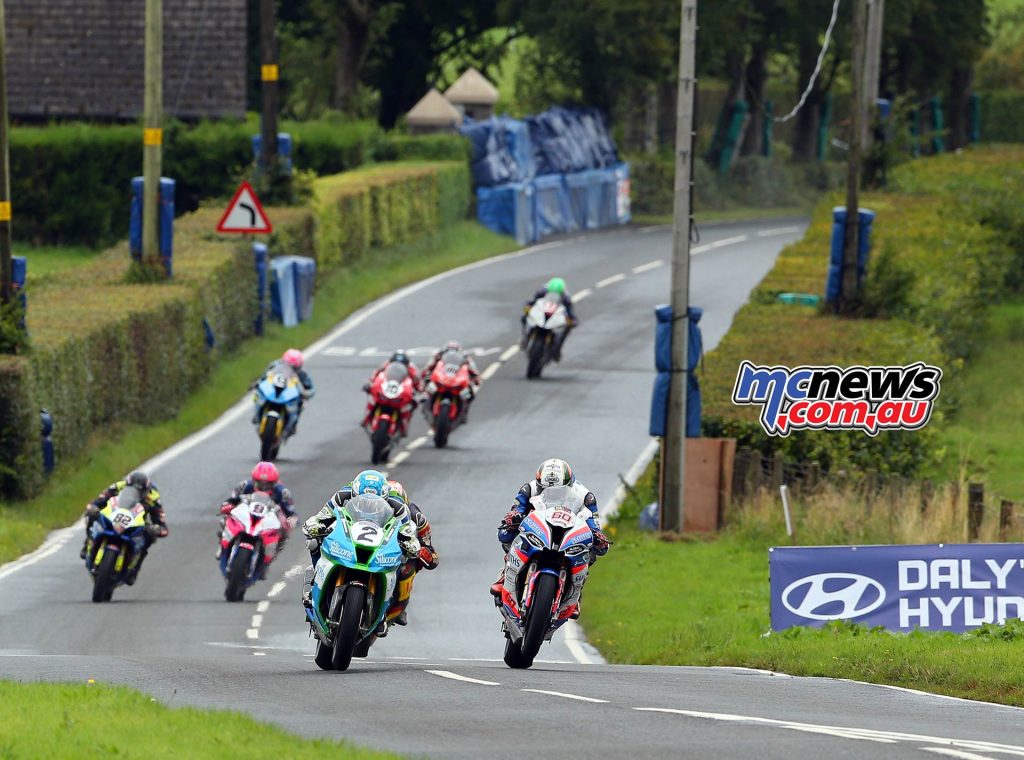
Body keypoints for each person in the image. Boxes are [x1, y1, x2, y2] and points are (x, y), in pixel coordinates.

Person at [301, 470, 421, 635]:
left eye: (376, 502)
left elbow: (408, 531)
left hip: (378, 544)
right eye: (364, 499)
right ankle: (315, 578)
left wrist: (411, 543)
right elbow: (323, 514)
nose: (370, 505)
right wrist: (316, 525)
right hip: (347, 536)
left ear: (385, 497)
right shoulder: (343, 494)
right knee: (313, 541)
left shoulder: (398, 506)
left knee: (402, 562)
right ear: (355, 492)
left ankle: (383, 614)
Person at [489, 458, 611, 618]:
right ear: (539, 484)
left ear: (569, 485)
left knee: (593, 549)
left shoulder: (585, 497)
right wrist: (514, 518)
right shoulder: (528, 489)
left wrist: (597, 536)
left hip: (568, 534)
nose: (551, 494)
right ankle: (506, 573)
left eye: (557, 491)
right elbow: (517, 509)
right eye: (546, 489)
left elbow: (594, 525)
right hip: (539, 529)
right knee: (507, 534)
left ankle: (576, 593)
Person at [80, 470, 169, 585]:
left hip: (137, 521)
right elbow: (100, 499)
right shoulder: (118, 486)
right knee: (92, 515)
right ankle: (87, 542)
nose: (135, 493)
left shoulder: (154, 497)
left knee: (149, 537)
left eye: (139, 492)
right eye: (132, 489)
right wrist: (93, 507)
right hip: (117, 514)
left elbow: (161, 522)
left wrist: (158, 529)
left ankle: (135, 568)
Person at [384, 480, 439, 629]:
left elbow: (433, 556)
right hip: (370, 551)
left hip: (398, 558)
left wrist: (424, 553)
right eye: (388, 502)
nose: (391, 507)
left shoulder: (418, 519)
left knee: (408, 569)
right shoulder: (368, 509)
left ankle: (399, 606)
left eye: (396, 503)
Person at [217, 461, 298, 559]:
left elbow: (290, 510)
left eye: (268, 485)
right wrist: (227, 506)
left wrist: (291, 519)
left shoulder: (282, 492)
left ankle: (273, 550)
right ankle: (222, 545)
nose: (263, 487)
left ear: (274, 483)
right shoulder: (245, 485)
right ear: (254, 480)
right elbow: (232, 499)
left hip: (269, 515)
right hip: (247, 511)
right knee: (226, 518)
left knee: (285, 529)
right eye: (260, 483)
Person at [252, 349, 315, 435]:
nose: (290, 369)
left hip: (289, 394)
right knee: (257, 394)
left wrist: (308, 393)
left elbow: (311, 388)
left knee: (301, 404)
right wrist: (258, 382)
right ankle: (257, 414)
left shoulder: (302, 374)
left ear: (299, 367)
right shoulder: (275, 365)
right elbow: (264, 376)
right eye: (287, 365)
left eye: (295, 368)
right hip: (274, 390)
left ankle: (293, 424)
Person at [361, 350, 422, 436]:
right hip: (386, 389)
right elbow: (376, 375)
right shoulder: (385, 365)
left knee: (410, 405)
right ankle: (366, 418)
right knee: (372, 397)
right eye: (395, 362)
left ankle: (403, 427)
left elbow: (418, 382)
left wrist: (418, 391)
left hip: (401, 391)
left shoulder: (412, 369)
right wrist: (370, 383)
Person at [419, 341, 481, 422]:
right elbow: (428, 366)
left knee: (470, 393)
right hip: (441, 378)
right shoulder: (439, 355)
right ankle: (425, 405)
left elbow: (473, 370)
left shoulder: (465, 358)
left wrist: (476, 378)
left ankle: (464, 412)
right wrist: (425, 374)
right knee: (427, 387)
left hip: (456, 380)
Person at [521, 277, 578, 360]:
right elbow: (532, 302)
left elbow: (570, 312)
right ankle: (525, 337)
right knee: (524, 317)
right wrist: (527, 307)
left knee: (566, 329)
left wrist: (572, 320)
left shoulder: (566, 297)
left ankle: (557, 349)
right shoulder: (542, 291)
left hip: (555, 316)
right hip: (541, 313)